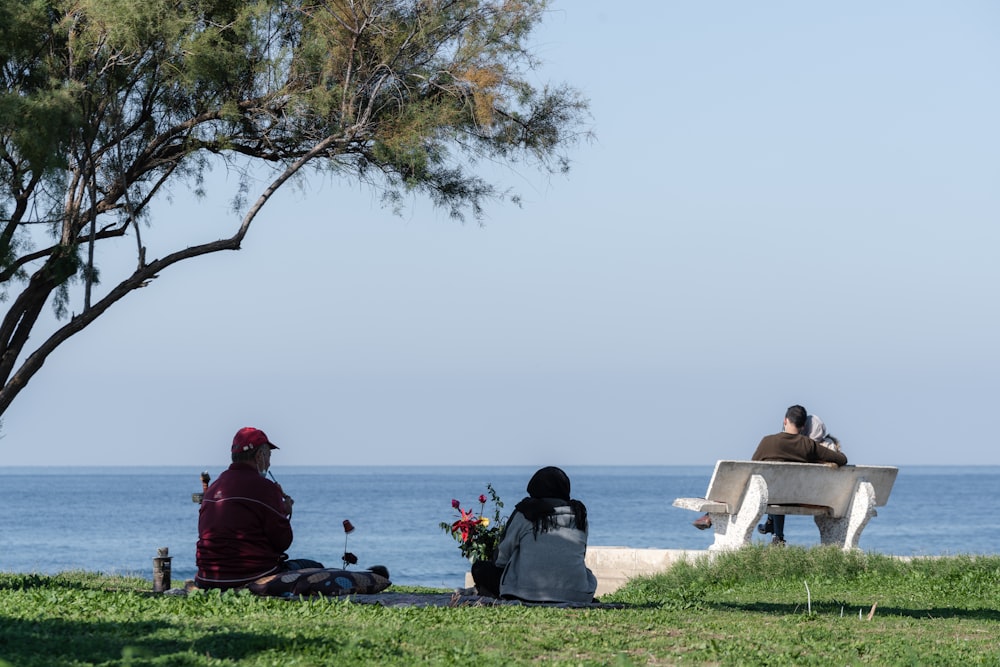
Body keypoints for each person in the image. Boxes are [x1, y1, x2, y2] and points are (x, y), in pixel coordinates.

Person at [195, 427, 323, 589]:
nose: (269, 463)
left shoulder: (215, 486)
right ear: (259, 456)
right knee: (316, 568)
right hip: (253, 576)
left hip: (207, 578)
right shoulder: (265, 488)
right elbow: (283, 542)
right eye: (268, 456)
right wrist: (285, 512)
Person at [471, 466, 598, 603]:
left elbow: (502, 558)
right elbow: (580, 553)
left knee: (480, 568)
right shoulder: (579, 515)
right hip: (577, 594)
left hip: (526, 593)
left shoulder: (525, 513)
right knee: (587, 573)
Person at [753, 405, 848, 544]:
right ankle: (776, 534)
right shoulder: (808, 445)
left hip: (771, 497)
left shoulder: (767, 442)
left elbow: (751, 470)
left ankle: (776, 532)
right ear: (803, 426)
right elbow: (842, 459)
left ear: (785, 421)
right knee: (781, 488)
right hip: (797, 497)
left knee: (775, 487)